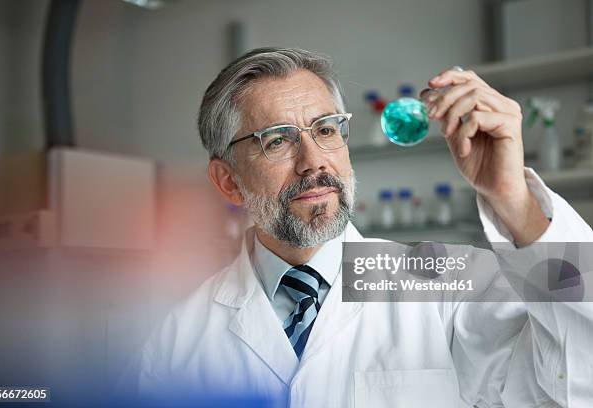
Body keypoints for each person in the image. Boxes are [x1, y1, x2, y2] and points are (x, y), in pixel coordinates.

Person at [135, 48, 593, 407]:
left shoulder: (444, 283)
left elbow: (576, 381)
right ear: (228, 180)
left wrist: (514, 201)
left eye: (327, 130)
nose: (314, 161)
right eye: (277, 140)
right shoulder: (175, 338)